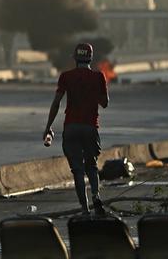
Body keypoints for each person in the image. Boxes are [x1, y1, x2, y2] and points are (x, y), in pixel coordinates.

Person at [43, 43, 109, 215]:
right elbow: (105, 103)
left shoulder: (66, 77)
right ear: (90, 58)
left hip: (71, 127)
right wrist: (93, 91)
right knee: (92, 166)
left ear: (75, 58)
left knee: (77, 170)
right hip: (90, 127)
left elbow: (56, 102)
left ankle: (85, 209)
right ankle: (95, 196)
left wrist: (48, 126)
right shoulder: (98, 77)